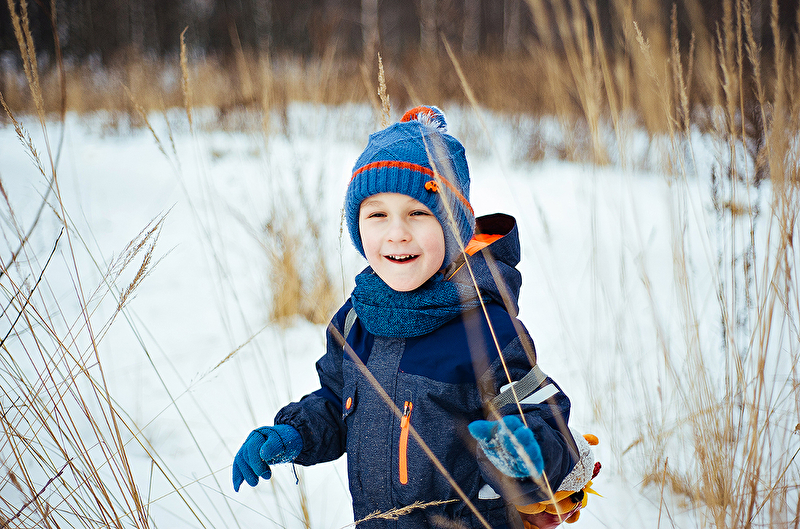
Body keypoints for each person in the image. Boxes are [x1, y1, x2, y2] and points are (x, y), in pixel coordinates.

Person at [232, 106, 598, 529]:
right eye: (377, 215)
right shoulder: (355, 320)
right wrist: (294, 434)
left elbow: (543, 416)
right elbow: (336, 402)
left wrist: (527, 455)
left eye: (418, 213)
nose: (397, 233)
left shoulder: (485, 330)